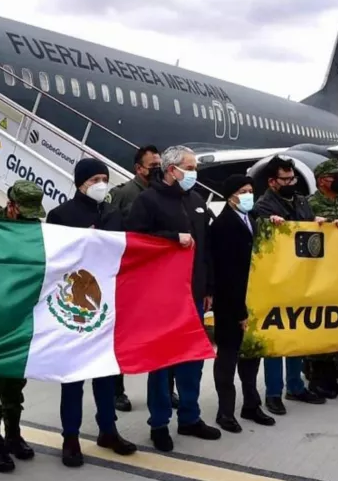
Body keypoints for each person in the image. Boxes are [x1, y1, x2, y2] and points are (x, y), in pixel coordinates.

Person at [125, 145, 222, 452]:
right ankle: (159, 423)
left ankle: (190, 417)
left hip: (193, 294)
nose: (194, 174)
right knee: (162, 362)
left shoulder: (195, 200)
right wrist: (169, 238)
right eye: (189, 168)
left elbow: (205, 249)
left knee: (192, 359)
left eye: (195, 169)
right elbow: (134, 242)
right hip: (162, 297)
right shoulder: (147, 201)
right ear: (171, 170)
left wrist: (208, 289)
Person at [47, 158, 137, 467]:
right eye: (95, 178)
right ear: (80, 182)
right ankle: (70, 436)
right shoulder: (60, 215)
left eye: (105, 178)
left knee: (106, 373)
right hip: (74, 307)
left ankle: (107, 429)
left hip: (107, 304)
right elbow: (55, 261)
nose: (101, 183)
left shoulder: (112, 214)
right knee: (73, 376)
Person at [0, 181, 44, 473]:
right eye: (24, 213)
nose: (29, 219)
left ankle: (14, 434)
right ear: (11, 206)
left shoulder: (36, 230)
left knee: (15, 378)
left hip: (20, 316)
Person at [251, 155, 328, 415]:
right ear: (272, 182)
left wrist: (319, 224)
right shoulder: (263, 206)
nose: (291, 183)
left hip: (301, 278)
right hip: (276, 280)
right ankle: (274, 392)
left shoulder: (301, 201)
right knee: (276, 338)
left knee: (296, 335)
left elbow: (306, 228)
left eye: (292, 178)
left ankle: (295, 386)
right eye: (285, 179)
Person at [210, 174, 275, 432]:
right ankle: (225, 411)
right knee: (227, 356)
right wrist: (239, 311)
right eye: (243, 191)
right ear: (231, 195)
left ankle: (251, 404)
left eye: (251, 190)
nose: (249, 195)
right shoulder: (223, 226)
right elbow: (227, 274)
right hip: (231, 304)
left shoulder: (253, 221)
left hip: (253, 299)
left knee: (251, 355)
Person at [104, 145, 166, 413]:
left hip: (158, 277)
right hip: (130, 276)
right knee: (122, 336)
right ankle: (117, 390)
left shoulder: (165, 194)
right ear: (138, 168)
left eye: (159, 165)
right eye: (152, 166)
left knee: (163, 336)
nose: (157, 170)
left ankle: (165, 389)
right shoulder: (122, 195)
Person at [305, 159, 338, 397]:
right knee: (319, 327)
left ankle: (331, 374)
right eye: (335, 176)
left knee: (335, 325)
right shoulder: (311, 204)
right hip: (317, 273)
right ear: (322, 180)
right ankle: (316, 377)